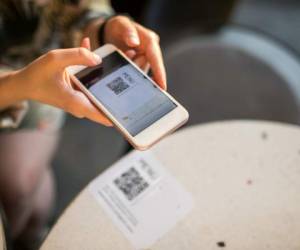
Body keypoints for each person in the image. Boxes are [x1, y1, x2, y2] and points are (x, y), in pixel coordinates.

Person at [0, 0, 166, 248]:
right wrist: (18, 84)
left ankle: (33, 232)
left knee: (23, 187)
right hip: (27, 81)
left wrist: (102, 29)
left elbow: (74, 9)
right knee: (22, 192)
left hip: (43, 78)